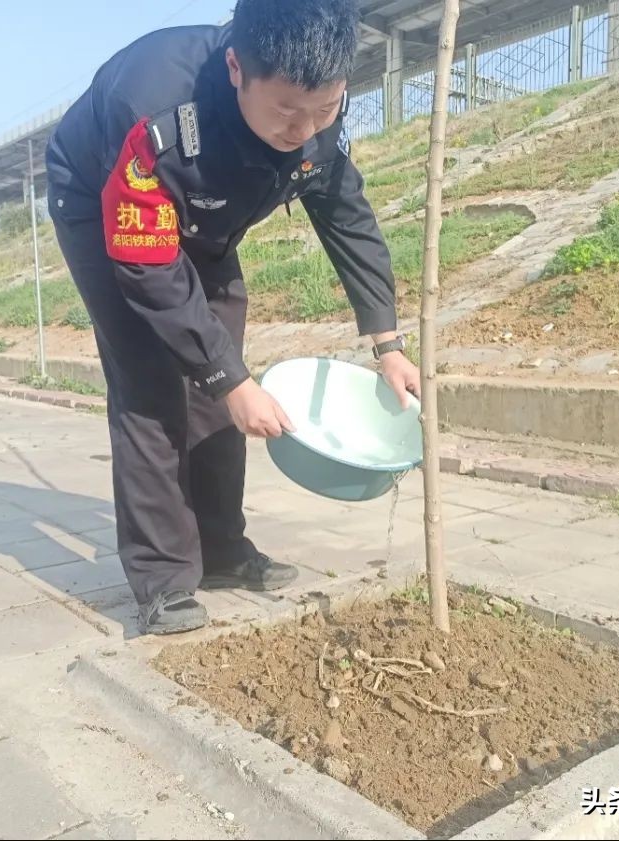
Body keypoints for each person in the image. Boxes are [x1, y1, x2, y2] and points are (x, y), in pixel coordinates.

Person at [45, 0, 421, 636]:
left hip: (205, 217)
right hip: (106, 205)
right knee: (151, 383)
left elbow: (344, 210)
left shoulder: (316, 108)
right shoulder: (155, 106)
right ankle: (162, 577)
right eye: (285, 112)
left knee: (222, 374)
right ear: (236, 68)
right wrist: (230, 380)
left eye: (323, 110)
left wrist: (386, 340)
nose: (304, 129)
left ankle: (220, 549)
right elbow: (149, 268)